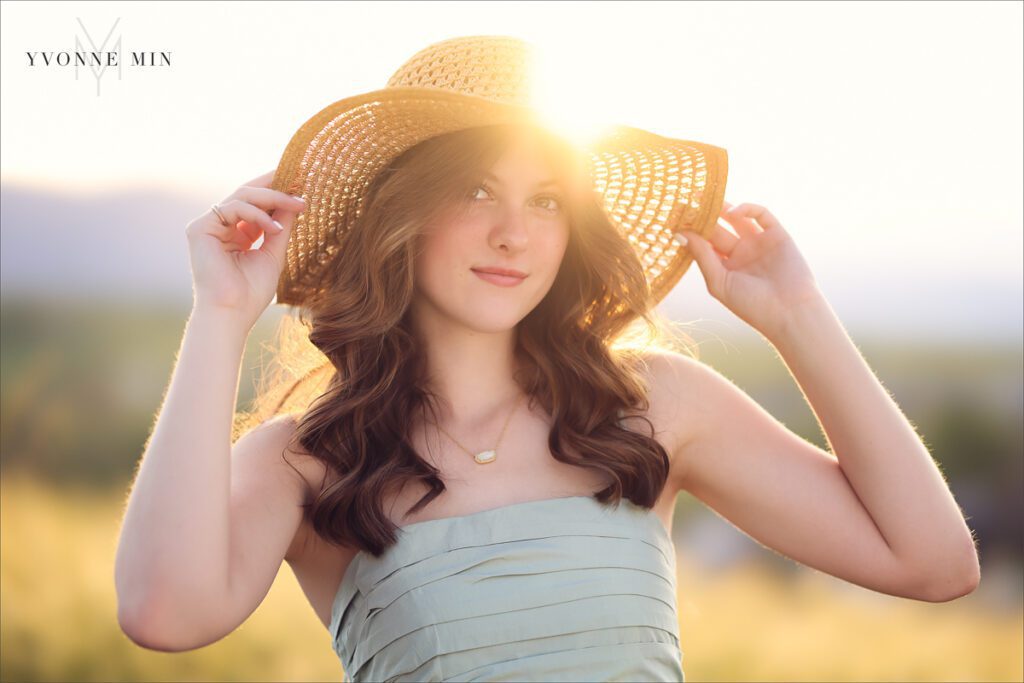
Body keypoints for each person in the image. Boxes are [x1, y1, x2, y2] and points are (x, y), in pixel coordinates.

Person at [114, 36, 980, 682]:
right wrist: (222, 315)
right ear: (398, 214)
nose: (514, 233)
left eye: (547, 200)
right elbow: (161, 613)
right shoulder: (307, 462)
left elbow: (934, 563)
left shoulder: (652, 406)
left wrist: (797, 315)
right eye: (477, 189)